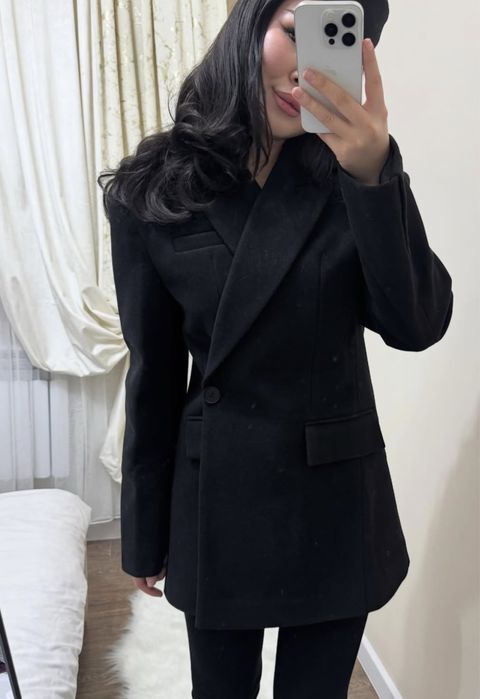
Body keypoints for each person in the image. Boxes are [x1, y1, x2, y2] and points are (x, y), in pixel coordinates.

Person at [98, 0, 454, 696]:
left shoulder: (353, 171)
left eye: (339, 42)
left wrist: (375, 175)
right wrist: (144, 527)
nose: (305, 70)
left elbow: (418, 324)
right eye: (296, 31)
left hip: (334, 499)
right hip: (218, 496)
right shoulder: (155, 186)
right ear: (250, 20)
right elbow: (155, 372)